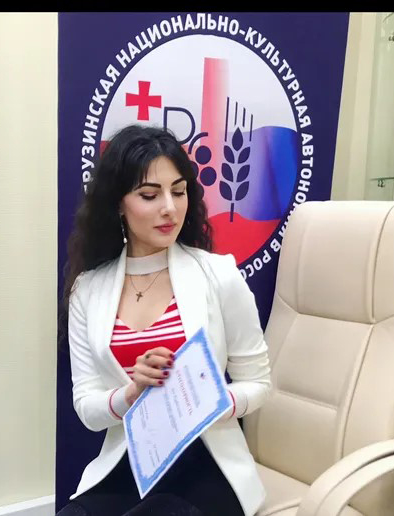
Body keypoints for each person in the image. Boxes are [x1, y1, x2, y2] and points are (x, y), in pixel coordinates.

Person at [57, 124, 272, 516]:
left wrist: (211, 402)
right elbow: (87, 407)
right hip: (133, 462)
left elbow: (258, 384)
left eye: (179, 191)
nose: (170, 208)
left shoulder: (218, 275)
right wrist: (131, 394)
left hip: (208, 463)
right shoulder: (88, 290)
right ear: (118, 203)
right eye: (149, 195)